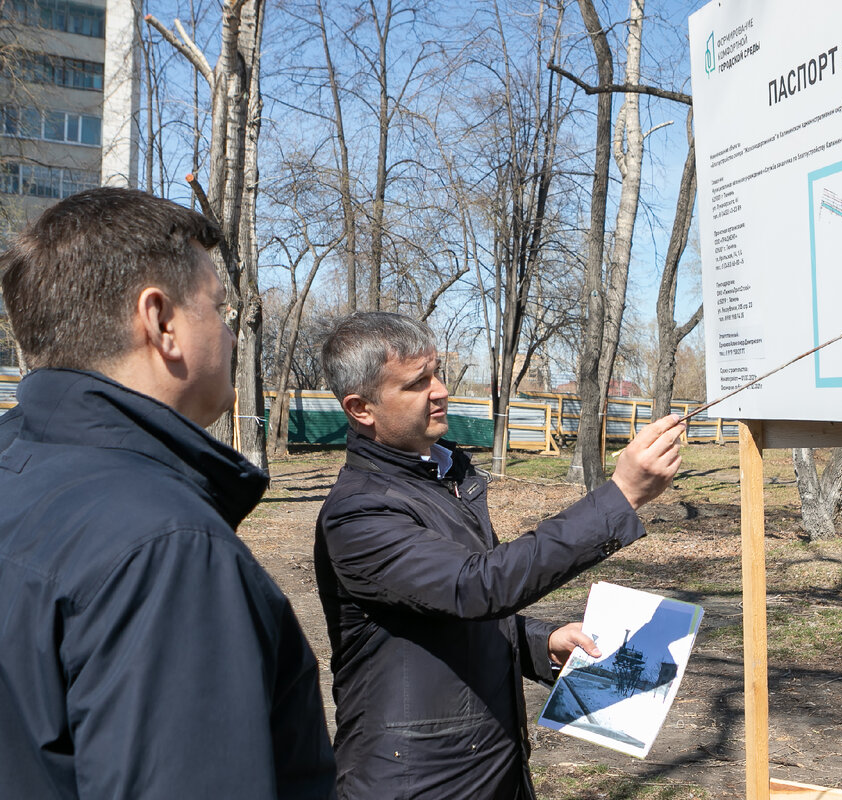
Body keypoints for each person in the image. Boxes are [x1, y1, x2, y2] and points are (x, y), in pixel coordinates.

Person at [0, 188, 336, 798]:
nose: (232, 334)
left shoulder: (15, 465)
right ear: (160, 322)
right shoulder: (167, 549)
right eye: (219, 310)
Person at [315, 311, 685, 799]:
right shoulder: (359, 513)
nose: (441, 389)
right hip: (416, 780)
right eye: (417, 382)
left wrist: (541, 642)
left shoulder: (443, 480)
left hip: (488, 765)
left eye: (437, 371)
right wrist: (619, 497)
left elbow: (443, 613)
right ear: (362, 408)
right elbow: (475, 587)